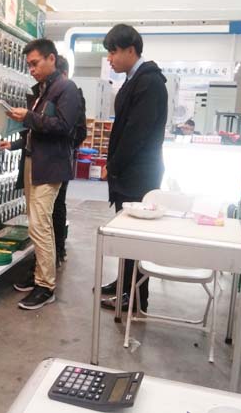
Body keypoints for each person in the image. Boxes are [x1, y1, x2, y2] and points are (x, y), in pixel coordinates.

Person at [0, 39, 81, 310]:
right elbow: (37, 130)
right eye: (29, 65)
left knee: (40, 225)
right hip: (33, 163)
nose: (31, 69)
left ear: (51, 59)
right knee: (36, 223)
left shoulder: (67, 89)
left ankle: (46, 286)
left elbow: (65, 127)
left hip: (50, 166)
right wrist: (14, 142)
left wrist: (28, 117)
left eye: (35, 63)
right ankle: (39, 276)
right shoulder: (42, 91)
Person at [100, 24, 168, 312]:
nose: (110, 59)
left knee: (136, 237)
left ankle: (136, 296)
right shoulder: (134, 79)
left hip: (139, 173)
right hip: (129, 172)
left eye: (113, 52)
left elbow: (135, 134)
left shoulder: (149, 82)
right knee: (127, 234)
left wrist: (113, 165)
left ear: (131, 50)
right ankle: (124, 283)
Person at [52, 55, 87, 266]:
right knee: (51, 208)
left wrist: (66, 145)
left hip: (61, 159)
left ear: (63, 74)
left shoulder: (73, 95)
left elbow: (80, 131)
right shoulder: (50, 94)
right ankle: (56, 250)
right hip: (47, 160)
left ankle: (58, 250)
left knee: (57, 205)